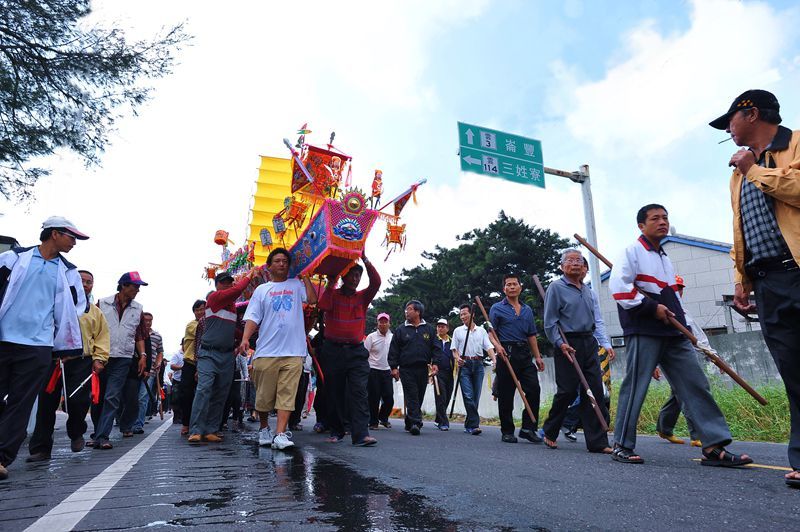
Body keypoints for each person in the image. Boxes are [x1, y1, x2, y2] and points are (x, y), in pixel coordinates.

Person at [609, 204, 751, 467]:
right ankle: (622, 444)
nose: (662, 222)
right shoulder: (632, 251)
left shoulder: (664, 258)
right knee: (636, 386)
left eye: (665, 218)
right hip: (644, 329)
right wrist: (652, 307)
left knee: (696, 384)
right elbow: (619, 289)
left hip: (675, 332)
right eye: (655, 218)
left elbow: (674, 299)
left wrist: (689, 328)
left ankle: (713, 446)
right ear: (641, 225)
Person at [710, 89, 800, 486]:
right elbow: (740, 230)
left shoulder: (794, 143)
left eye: (730, 120)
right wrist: (741, 281)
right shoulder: (736, 175)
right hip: (768, 283)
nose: (728, 129)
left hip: (797, 269)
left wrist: (754, 170)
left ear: (751, 113)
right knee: (793, 372)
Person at [0, 216, 88, 479]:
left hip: (38, 346)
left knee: (21, 403)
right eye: (71, 237)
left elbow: (77, 308)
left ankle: (2, 457)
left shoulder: (69, 272)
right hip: (3, 339)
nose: (74, 242)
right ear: (54, 234)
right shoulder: (14, 259)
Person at [28, 269, 109, 462]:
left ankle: (76, 433)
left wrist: (100, 359)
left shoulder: (95, 312)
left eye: (89, 282)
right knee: (46, 404)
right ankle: (41, 448)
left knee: (78, 400)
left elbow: (102, 338)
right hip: (52, 360)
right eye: (81, 280)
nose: (85, 284)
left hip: (81, 361)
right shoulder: (53, 304)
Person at [240, 248, 317, 450]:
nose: (282, 264)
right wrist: (245, 338)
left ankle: (280, 433)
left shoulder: (297, 285)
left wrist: (307, 277)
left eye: (285, 261)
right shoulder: (262, 290)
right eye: (277, 261)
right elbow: (253, 317)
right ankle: (264, 428)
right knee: (264, 396)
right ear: (269, 266)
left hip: (294, 351)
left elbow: (313, 300)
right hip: (266, 351)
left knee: (287, 393)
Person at [541, 249, 612, 453]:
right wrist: (559, 343)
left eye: (579, 260)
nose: (575, 264)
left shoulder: (589, 292)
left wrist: (605, 343)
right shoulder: (556, 287)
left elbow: (597, 320)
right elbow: (550, 322)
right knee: (567, 391)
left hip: (588, 342)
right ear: (562, 266)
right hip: (567, 343)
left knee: (595, 390)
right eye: (570, 260)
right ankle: (550, 430)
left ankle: (598, 442)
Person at [317, 254, 380, 446]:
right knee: (334, 392)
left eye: (358, 276)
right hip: (332, 351)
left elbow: (376, 282)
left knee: (359, 392)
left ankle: (361, 434)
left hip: (356, 353)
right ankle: (336, 430)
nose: (355, 279)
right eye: (352, 275)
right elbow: (323, 305)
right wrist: (331, 282)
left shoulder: (363, 297)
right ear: (343, 277)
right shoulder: (332, 295)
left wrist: (365, 259)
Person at [188, 269, 256, 444]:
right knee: (204, 390)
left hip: (226, 356)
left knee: (221, 393)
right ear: (217, 285)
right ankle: (196, 429)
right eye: (223, 282)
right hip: (208, 354)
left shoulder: (233, 309)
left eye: (229, 282)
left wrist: (242, 342)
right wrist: (249, 277)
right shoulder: (214, 299)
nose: (228, 285)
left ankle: (211, 429)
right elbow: (236, 291)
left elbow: (237, 332)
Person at [93, 272, 149, 449]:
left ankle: (102, 436)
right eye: (134, 286)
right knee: (97, 397)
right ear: (123, 285)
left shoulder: (138, 308)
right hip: (101, 356)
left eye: (139, 287)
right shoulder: (102, 304)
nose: (137, 290)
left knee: (112, 396)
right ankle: (97, 433)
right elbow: (92, 329)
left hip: (123, 358)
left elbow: (139, 334)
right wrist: (94, 356)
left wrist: (143, 356)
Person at [489, 275, 545, 444]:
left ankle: (528, 428)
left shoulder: (527, 310)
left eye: (515, 284)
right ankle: (507, 430)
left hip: (524, 354)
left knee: (534, 389)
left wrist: (537, 356)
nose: (512, 287)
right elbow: (491, 333)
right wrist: (497, 347)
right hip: (506, 353)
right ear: (504, 289)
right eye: (508, 285)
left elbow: (532, 335)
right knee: (506, 394)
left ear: (520, 287)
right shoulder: (497, 308)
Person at [656, 275, 707, 448]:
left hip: (687, 357)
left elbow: (698, 336)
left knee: (678, 393)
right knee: (687, 391)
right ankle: (697, 434)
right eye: (674, 288)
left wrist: (712, 356)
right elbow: (652, 338)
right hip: (668, 357)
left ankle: (664, 428)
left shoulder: (683, 312)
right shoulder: (660, 309)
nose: (678, 291)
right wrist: (653, 364)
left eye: (680, 288)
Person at [387, 300, 443, 436]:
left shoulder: (428, 329)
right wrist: (394, 367)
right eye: (406, 309)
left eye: (410, 309)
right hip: (406, 369)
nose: (407, 311)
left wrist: (435, 363)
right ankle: (416, 423)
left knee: (419, 395)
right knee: (412, 395)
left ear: (418, 312)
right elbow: (393, 350)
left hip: (423, 369)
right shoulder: (401, 329)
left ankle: (409, 420)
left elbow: (436, 347)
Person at [452, 306, 497, 435]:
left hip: (478, 364)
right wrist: (458, 358)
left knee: (475, 396)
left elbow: (488, 347)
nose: (462, 317)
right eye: (461, 315)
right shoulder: (458, 331)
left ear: (472, 314)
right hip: (464, 364)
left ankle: (469, 424)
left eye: (465, 314)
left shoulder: (481, 331)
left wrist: (494, 360)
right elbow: (454, 350)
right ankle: (474, 425)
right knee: (468, 395)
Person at [132, 312, 163, 434]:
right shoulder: (135, 333)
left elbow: (160, 352)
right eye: (146, 320)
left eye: (150, 320)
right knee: (132, 397)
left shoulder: (157, 336)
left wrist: (158, 363)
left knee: (142, 398)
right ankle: (128, 421)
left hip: (150, 371)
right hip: (135, 369)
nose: (148, 322)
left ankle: (138, 424)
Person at [179, 300, 205, 436]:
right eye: (198, 309)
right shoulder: (192, 325)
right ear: (194, 311)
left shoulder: (209, 323)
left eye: (203, 309)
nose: (201, 312)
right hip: (190, 363)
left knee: (204, 395)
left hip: (205, 363)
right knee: (187, 395)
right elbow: (203, 332)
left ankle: (202, 424)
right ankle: (186, 424)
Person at [365, 313, 394, 429]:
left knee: (389, 398)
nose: (383, 324)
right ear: (377, 323)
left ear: (389, 323)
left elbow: (395, 353)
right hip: (373, 369)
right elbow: (365, 354)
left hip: (387, 370)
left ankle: (383, 418)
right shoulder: (371, 337)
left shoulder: (393, 337)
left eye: (385, 322)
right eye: (380, 322)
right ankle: (373, 422)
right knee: (373, 397)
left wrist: (396, 368)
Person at [432, 318, 454, 431]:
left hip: (450, 373)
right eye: (438, 326)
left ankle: (438, 418)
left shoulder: (452, 341)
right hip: (437, 372)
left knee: (447, 397)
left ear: (447, 328)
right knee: (441, 396)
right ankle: (443, 422)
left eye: (443, 326)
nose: (440, 328)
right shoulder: (434, 340)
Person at [168, 343, 184, 424]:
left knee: (185, 398)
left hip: (187, 380)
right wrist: (182, 368)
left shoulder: (192, 354)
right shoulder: (177, 355)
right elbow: (172, 366)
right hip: (177, 380)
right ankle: (176, 417)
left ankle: (182, 417)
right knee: (175, 399)